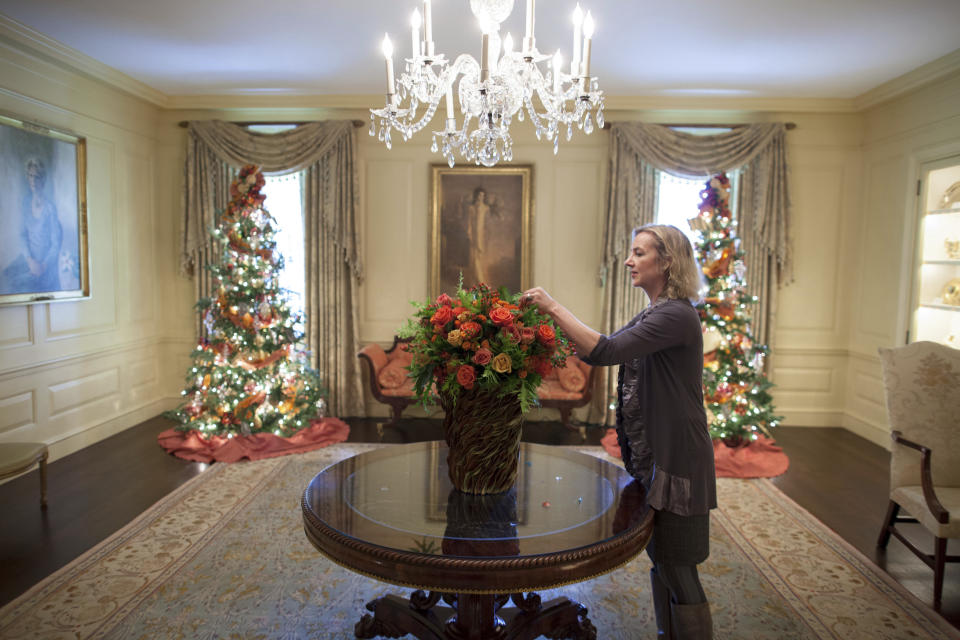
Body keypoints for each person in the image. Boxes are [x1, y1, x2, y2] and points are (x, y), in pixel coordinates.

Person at [523, 224, 716, 639]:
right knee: (662, 559)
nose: (629, 261)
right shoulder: (656, 311)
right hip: (658, 455)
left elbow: (604, 351)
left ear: (666, 261)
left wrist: (553, 307)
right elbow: (606, 344)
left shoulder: (676, 314)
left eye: (639, 253)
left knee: (679, 567)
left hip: (678, 458)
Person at [2, 158, 63, 295]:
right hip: (28, 259)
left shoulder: (49, 209)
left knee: (19, 285)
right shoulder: (25, 203)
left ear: (43, 180)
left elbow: (56, 244)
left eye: (37, 176)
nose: (33, 180)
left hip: (44, 265)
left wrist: (43, 265)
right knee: (5, 276)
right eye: (30, 175)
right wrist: (29, 259)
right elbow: (22, 235)